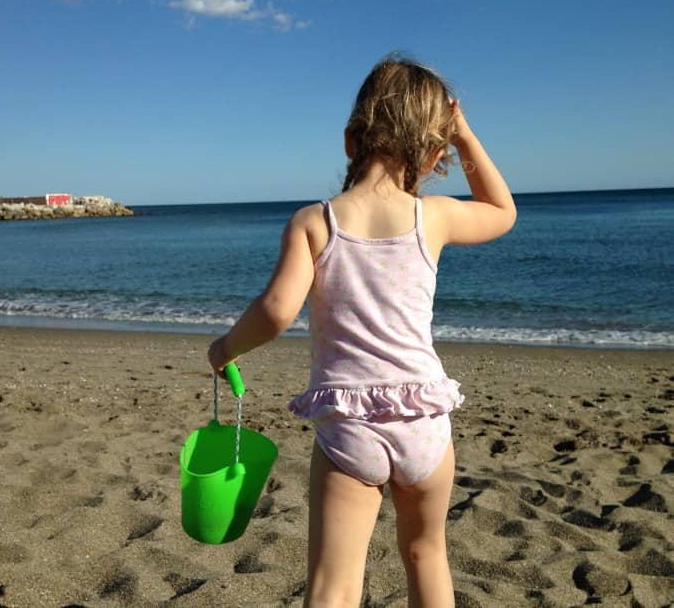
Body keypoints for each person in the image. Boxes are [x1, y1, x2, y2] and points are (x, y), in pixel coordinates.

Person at [208, 54, 517, 607]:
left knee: (334, 583)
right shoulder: (436, 217)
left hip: (351, 425)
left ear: (350, 142)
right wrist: (466, 136)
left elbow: (277, 312)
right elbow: (501, 209)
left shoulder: (315, 222)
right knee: (427, 555)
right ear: (434, 152)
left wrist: (225, 347)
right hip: (424, 420)